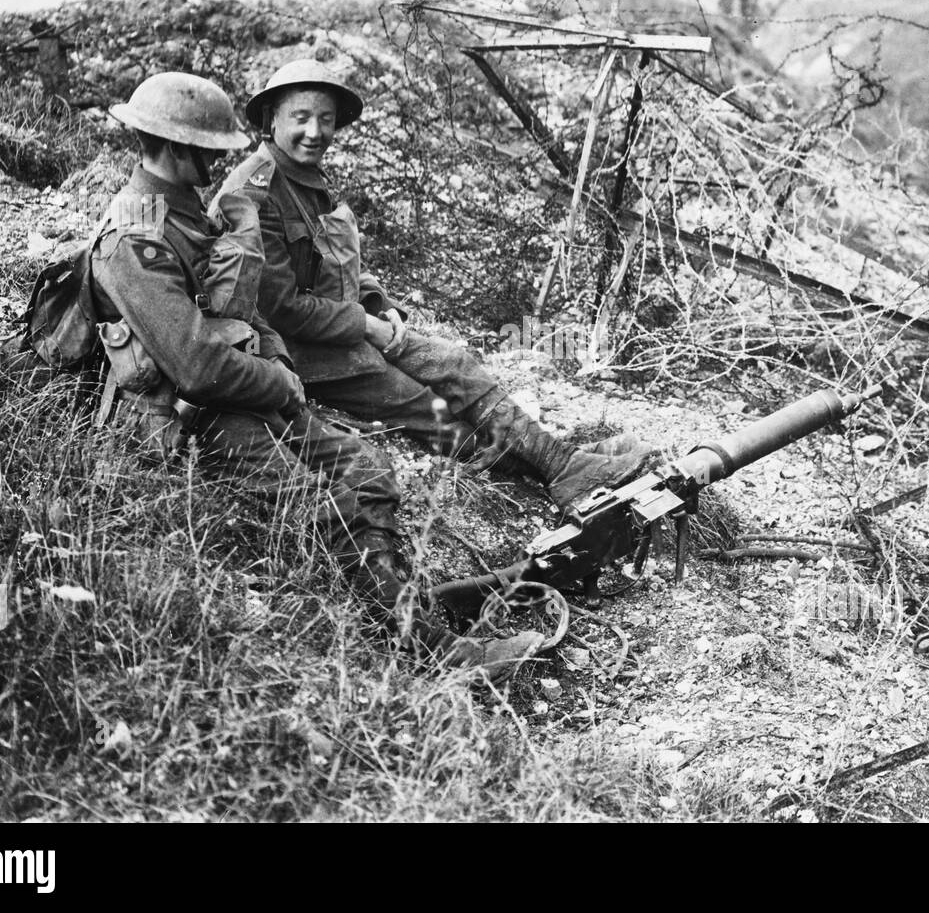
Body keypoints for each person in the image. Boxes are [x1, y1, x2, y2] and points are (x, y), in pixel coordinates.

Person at [92, 71, 541, 678]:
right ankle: (431, 656)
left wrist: (274, 362)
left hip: (240, 388)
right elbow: (195, 366)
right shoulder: (135, 239)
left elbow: (247, 310)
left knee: (370, 470)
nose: (222, 160)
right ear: (177, 148)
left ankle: (400, 607)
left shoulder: (192, 214)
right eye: (211, 149)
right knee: (320, 503)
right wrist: (279, 383)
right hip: (182, 416)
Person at [213, 59, 655, 511]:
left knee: (454, 362)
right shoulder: (257, 192)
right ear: (271, 120)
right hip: (291, 351)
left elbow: (335, 262)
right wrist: (365, 326)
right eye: (301, 118)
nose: (315, 131)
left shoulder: (305, 177)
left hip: (337, 328)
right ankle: (550, 468)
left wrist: (378, 303)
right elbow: (280, 308)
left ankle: (562, 463)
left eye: (325, 120)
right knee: (424, 403)